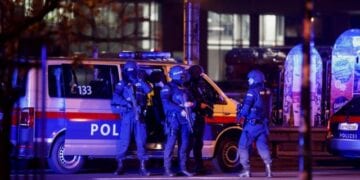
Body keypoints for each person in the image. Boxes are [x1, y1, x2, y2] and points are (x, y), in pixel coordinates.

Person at [111, 60, 152, 176]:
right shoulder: (122, 83)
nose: (131, 73)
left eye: (133, 71)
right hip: (128, 114)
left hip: (140, 115)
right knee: (124, 141)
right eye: (130, 71)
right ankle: (120, 166)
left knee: (141, 141)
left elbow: (149, 90)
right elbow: (115, 97)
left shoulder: (141, 82)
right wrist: (127, 103)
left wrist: (140, 80)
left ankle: (143, 167)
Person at [236, 69, 272, 178]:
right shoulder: (267, 91)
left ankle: (246, 171)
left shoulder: (252, 92)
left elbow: (246, 109)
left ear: (255, 79)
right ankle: (269, 169)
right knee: (262, 146)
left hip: (252, 125)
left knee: (243, 146)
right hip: (263, 124)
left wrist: (239, 115)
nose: (249, 81)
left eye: (250, 79)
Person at [160, 65, 195, 177]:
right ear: (177, 75)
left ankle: (183, 168)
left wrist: (192, 104)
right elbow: (166, 103)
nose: (184, 77)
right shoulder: (168, 87)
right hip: (173, 120)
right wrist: (180, 109)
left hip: (185, 121)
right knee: (170, 145)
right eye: (182, 75)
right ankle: (168, 169)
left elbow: (194, 101)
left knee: (184, 144)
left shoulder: (185, 88)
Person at [187, 65, 214, 175]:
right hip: (192, 117)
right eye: (199, 74)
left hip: (199, 117)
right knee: (190, 143)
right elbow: (188, 101)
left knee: (198, 144)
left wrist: (208, 107)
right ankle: (186, 166)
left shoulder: (199, 85)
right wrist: (199, 105)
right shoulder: (188, 85)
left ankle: (199, 167)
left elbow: (207, 97)